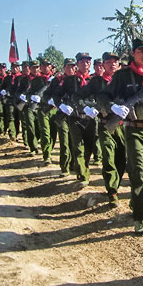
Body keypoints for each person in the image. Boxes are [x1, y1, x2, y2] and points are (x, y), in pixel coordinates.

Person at [98, 39, 143, 234]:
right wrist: (113, 107)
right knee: (137, 172)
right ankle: (140, 217)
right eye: (141, 51)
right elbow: (103, 96)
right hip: (133, 129)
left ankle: (136, 202)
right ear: (133, 53)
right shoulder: (122, 76)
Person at [76, 52, 125, 207]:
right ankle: (112, 191)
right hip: (105, 124)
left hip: (124, 125)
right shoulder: (96, 82)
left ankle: (115, 185)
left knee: (121, 158)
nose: (112, 64)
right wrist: (86, 108)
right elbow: (78, 96)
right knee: (108, 156)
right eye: (109, 62)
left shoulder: (125, 79)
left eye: (115, 62)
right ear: (103, 64)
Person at [53, 53, 95, 186]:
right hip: (75, 117)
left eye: (88, 62)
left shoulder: (94, 80)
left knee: (89, 146)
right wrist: (62, 106)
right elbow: (56, 95)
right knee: (78, 146)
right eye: (82, 62)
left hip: (90, 118)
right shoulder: (69, 81)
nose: (85, 64)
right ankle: (83, 175)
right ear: (77, 64)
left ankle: (83, 167)